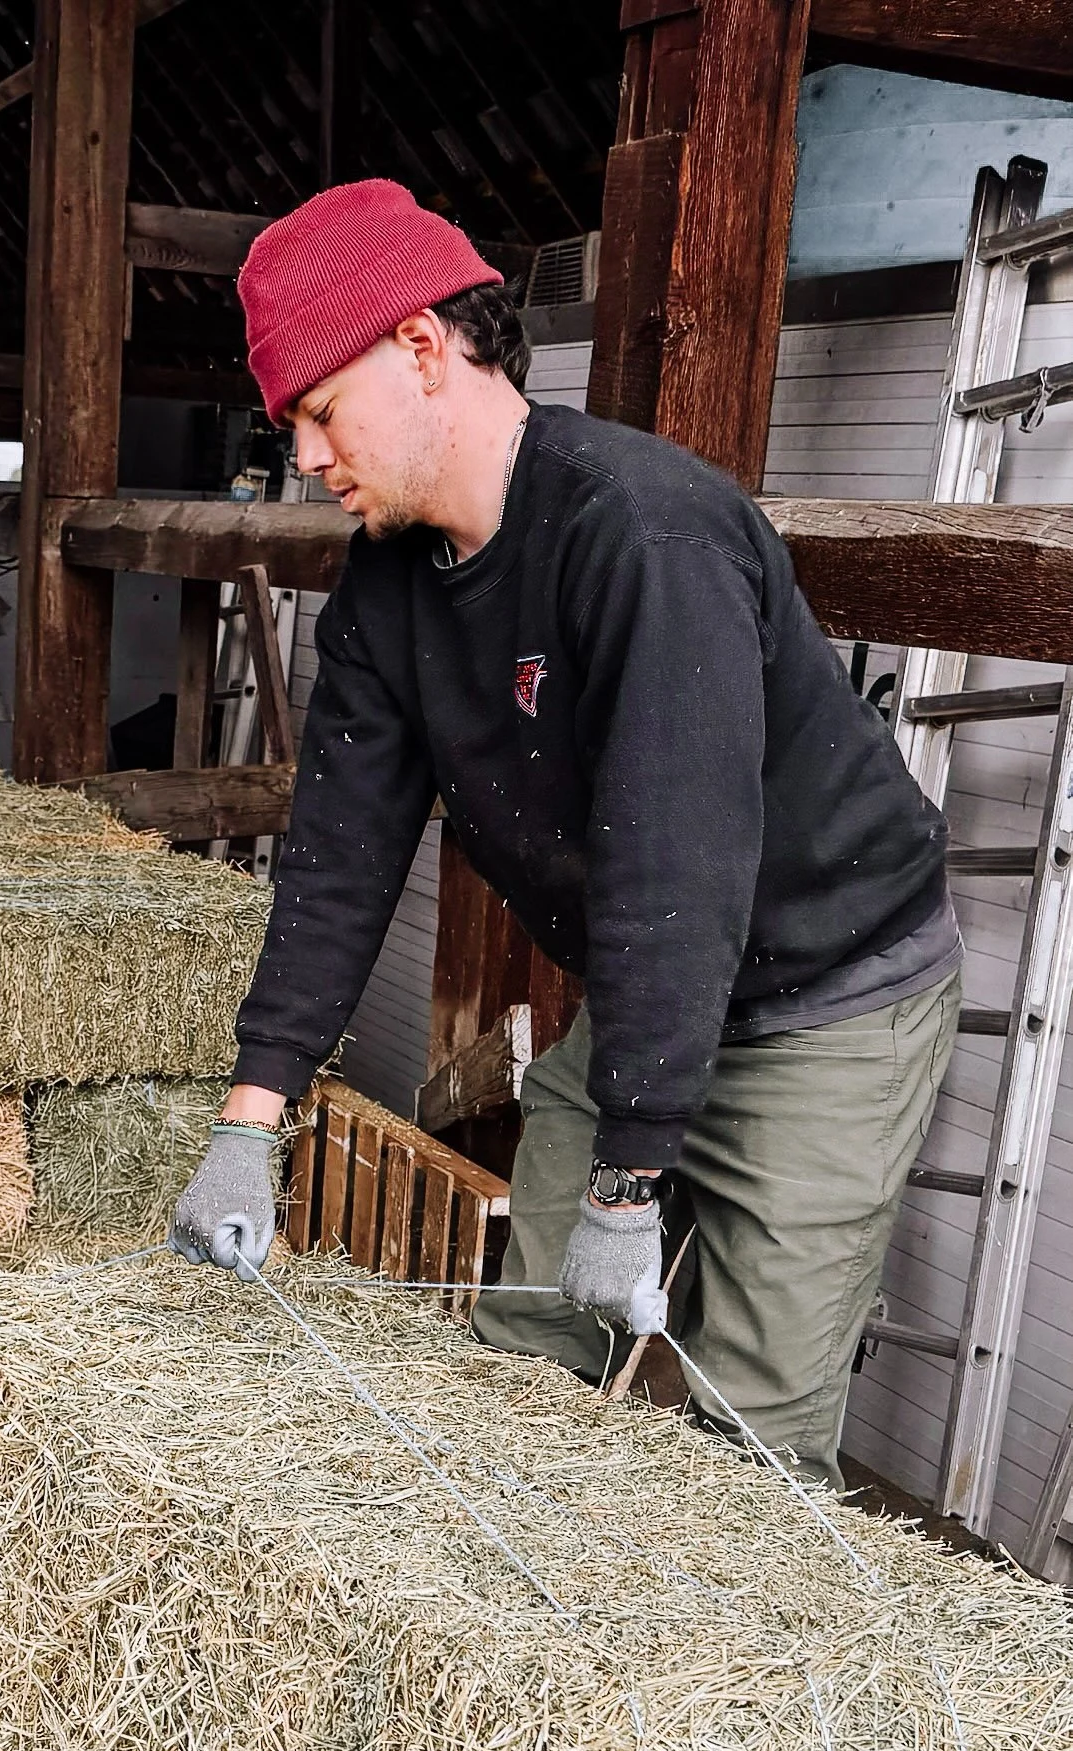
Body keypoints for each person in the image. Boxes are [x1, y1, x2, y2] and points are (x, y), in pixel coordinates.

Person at [170, 179, 961, 1488]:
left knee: (743, 1447)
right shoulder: (383, 588)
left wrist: (627, 1174)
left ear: (422, 347)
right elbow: (338, 855)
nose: (305, 455)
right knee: (525, 1353)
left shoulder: (641, 534)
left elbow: (678, 857)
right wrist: (250, 1118)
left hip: (825, 996)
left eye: (316, 408)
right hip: (650, 979)